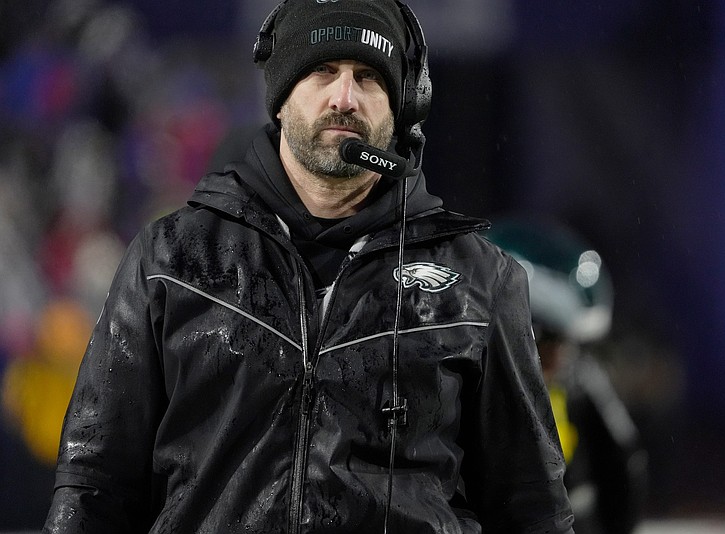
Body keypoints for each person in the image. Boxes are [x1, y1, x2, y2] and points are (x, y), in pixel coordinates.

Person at [43, 1, 574, 533]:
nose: (344, 98)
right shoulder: (169, 260)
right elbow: (95, 485)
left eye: (368, 77)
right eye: (323, 70)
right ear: (280, 98)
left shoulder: (480, 282)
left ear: (402, 107)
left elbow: (532, 509)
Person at [485, 218, 648, 534]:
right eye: (544, 338)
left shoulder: (578, 379)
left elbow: (623, 463)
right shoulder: (477, 382)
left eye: (562, 341)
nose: (559, 356)